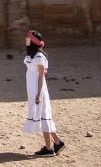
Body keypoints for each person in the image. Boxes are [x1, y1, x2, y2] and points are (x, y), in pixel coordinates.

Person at [22, 29, 65, 157]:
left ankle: (48, 148)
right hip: (32, 89)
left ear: (33, 41)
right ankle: (57, 143)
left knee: (43, 117)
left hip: (38, 90)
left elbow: (41, 77)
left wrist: (39, 95)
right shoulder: (31, 55)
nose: (26, 40)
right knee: (43, 117)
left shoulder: (40, 57)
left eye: (28, 38)